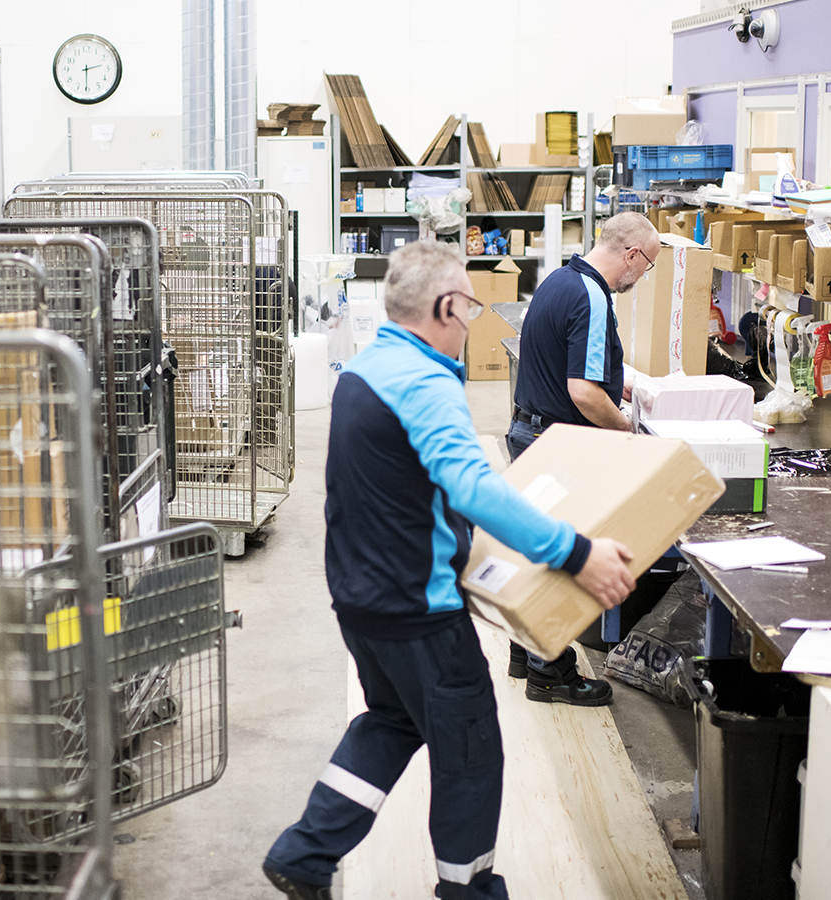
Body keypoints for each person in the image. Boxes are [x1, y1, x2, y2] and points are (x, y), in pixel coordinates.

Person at [262, 241, 636, 900]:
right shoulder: (426, 381)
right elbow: (471, 486)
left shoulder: (367, 369)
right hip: (419, 610)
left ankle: (304, 854)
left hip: (359, 598)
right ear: (442, 307)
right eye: (467, 307)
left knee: (392, 721)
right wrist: (577, 553)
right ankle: (469, 890)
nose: (469, 322)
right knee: (471, 751)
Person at [503, 212, 664, 707]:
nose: (643, 276)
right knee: (562, 560)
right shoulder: (593, 296)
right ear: (631, 254)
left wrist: (620, 383)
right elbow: (582, 391)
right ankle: (551, 673)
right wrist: (627, 430)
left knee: (536, 550)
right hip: (557, 443)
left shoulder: (559, 280)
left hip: (529, 431)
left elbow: (565, 363)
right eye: (648, 265)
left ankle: (523, 653)